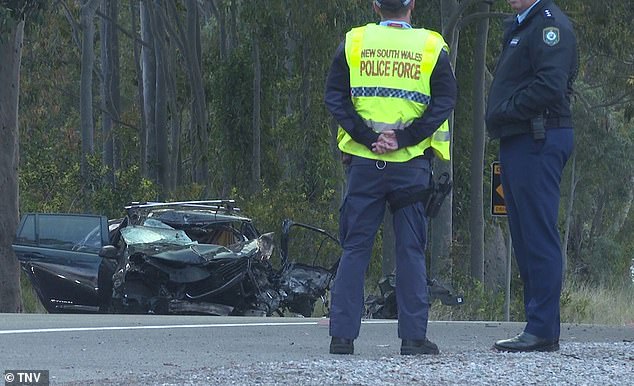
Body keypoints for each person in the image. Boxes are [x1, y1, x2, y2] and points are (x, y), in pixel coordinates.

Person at [324, 0, 457, 355]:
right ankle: (413, 338)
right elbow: (446, 100)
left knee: (355, 248)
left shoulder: (354, 42)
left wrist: (367, 137)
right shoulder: (431, 46)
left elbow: (335, 97)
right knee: (411, 250)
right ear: (412, 6)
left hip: (365, 165)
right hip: (410, 165)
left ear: (375, 6)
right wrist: (405, 138)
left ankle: (342, 337)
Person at [485, 0, 577, 352]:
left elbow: (551, 85)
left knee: (538, 234)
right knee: (524, 236)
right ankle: (539, 327)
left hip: (539, 137)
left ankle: (541, 328)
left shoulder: (549, 26)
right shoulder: (523, 23)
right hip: (518, 139)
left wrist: (506, 111)